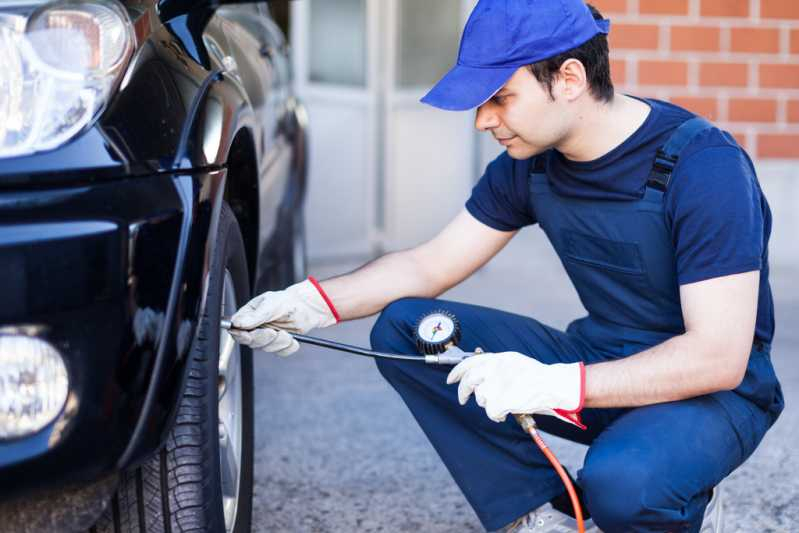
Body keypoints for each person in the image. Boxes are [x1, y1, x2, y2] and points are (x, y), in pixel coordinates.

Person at [229, 1, 783, 531]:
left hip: (709, 395)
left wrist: (553, 383)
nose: (482, 121)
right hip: (601, 357)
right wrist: (307, 305)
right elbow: (429, 265)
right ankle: (540, 512)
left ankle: (684, 503)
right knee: (409, 329)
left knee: (624, 485)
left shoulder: (703, 167)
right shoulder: (530, 166)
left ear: (569, 79)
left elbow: (718, 357)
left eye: (500, 98)